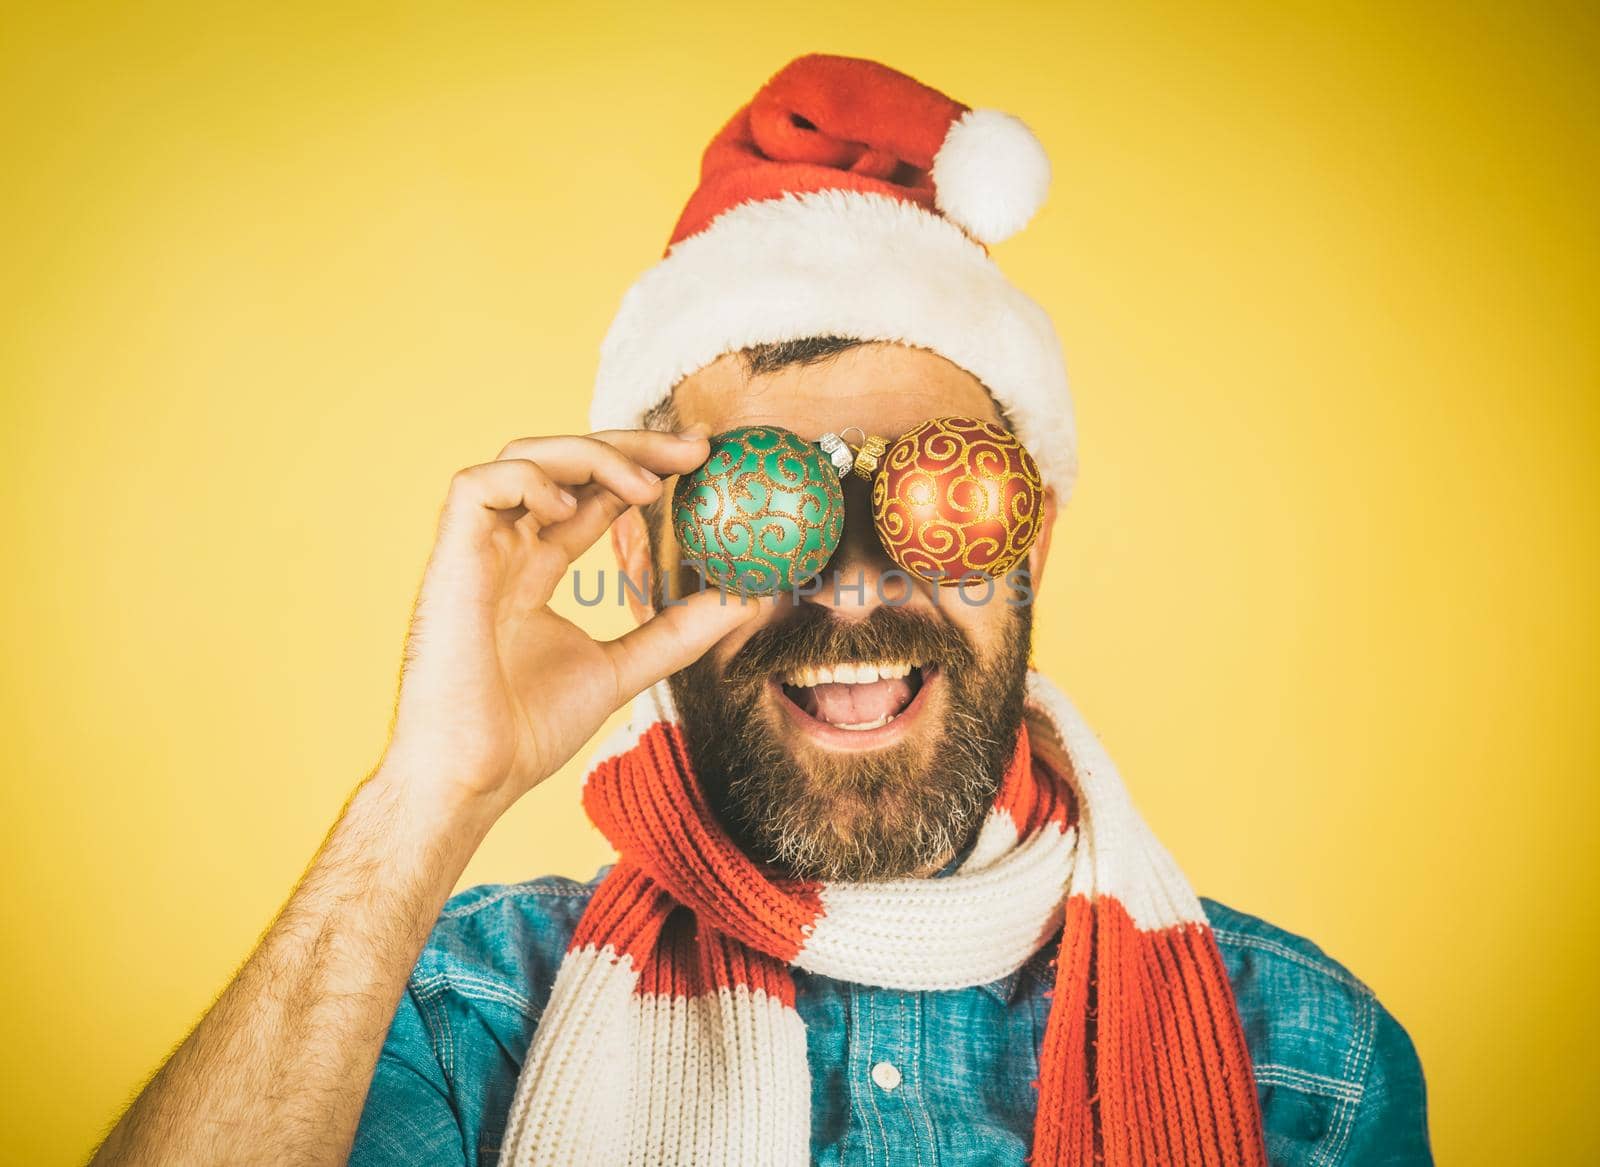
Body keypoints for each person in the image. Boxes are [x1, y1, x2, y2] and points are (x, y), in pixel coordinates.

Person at [92, 53, 1431, 1167]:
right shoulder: (455, 1022)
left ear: (1034, 539)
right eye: (757, 499)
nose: (851, 584)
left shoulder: (1310, 1081)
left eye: (942, 494)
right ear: (648, 544)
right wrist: (425, 794)